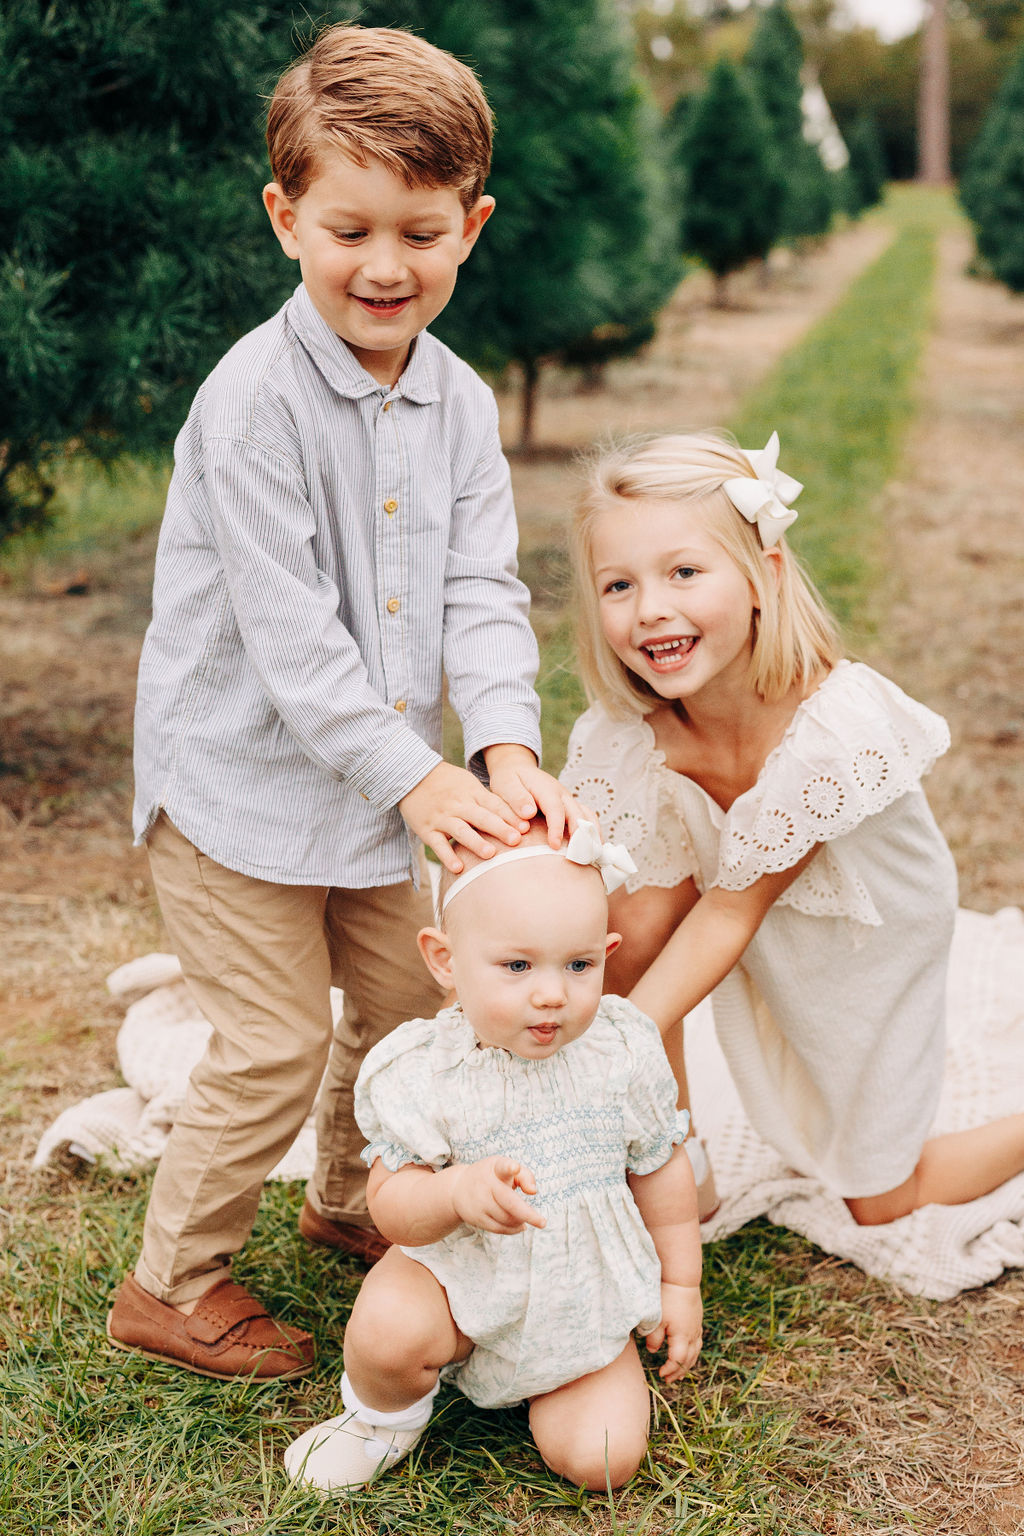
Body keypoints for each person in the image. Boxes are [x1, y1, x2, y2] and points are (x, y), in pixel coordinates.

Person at [106, 24, 577, 1382]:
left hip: (377, 798)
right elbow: (294, 648)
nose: (385, 265)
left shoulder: (459, 405)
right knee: (267, 1040)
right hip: (236, 787)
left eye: (421, 232)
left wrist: (499, 739)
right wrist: (425, 781)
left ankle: (351, 1198)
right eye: (349, 226)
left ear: (470, 229)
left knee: (404, 1010)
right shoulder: (254, 404)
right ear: (284, 218)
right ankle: (175, 1280)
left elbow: (482, 588)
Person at [561, 429, 1024, 1227]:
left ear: (760, 578)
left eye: (683, 573)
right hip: (728, 896)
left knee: (878, 1196)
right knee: (620, 925)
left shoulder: (831, 728)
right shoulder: (630, 736)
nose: (652, 610)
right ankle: (672, 1158)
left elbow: (733, 910)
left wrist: (612, 1036)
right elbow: (602, 884)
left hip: (863, 930)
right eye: (619, 586)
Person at [283, 821, 703, 1493]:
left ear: (607, 953)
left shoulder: (622, 1052)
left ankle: (575, 1373)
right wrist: (453, 1195)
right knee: (390, 1325)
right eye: (517, 966)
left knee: (603, 1460)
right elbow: (391, 1207)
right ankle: (379, 1423)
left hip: (579, 1296)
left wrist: (680, 1286)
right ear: (445, 960)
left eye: (578, 965)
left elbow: (661, 1167)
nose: (551, 994)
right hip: (459, 1282)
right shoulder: (425, 1070)